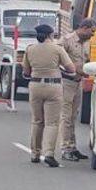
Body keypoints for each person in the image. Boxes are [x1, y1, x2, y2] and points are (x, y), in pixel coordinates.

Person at [22, 24, 75, 168]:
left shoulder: (30, 49)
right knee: (52, 122)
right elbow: (71, 69)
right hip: (53, 86)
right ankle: (49, 154)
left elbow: (26, 72)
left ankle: (34, 153)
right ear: (50, 35)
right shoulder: (57, 49)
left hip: (35, 85)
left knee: (37, 121)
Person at [58, 18, 96, 161]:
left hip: (78, 82)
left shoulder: (86, 44)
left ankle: (72, 147)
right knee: (66, 117)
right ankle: (65, 148)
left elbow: (86, 61)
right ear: (84, 28)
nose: (93, 35)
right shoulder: (67, 40)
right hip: (66, 81)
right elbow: (57, 58)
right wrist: (71, 70)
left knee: (73, 117)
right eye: (92, 31)